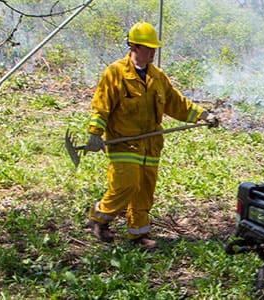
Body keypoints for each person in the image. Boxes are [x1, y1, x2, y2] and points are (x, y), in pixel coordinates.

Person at [84, 21, 219, 249]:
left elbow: (177, 103)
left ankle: (138, 235)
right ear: (134, 47)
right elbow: (101, 106)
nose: (152, 53)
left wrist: (203, 115)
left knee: (145, 191)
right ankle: (99, 219)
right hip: (124, 142)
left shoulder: (157, 77)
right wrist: (95, 133)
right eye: (148, 48)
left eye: (154, 48)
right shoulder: (115, 73)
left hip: (151, 144)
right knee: (126, 185)